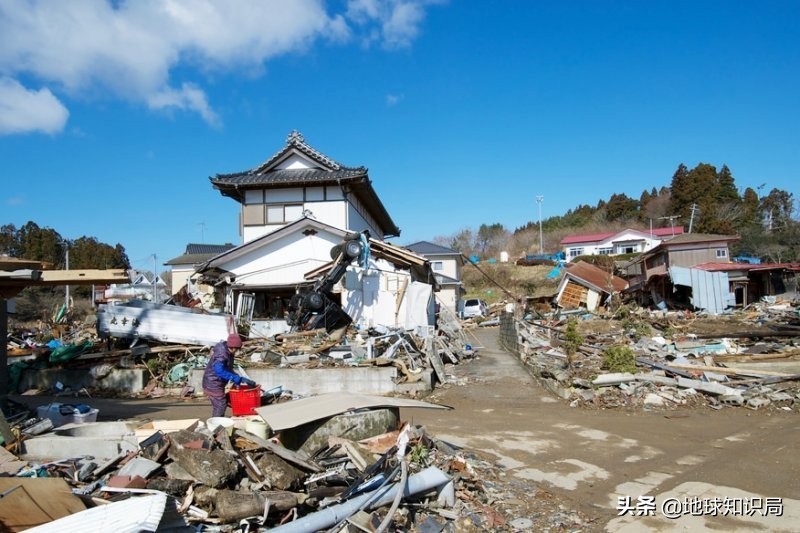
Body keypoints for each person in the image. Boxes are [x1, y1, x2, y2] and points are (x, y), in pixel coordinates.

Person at [202, 333, 256, 417]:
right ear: (234, 347)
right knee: (220, 404)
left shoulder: (229, 352)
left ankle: (218, 421)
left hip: (217, 381)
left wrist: (239, 378)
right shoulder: (222, 354)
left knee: (224, 401)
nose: (237, 351)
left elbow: (227, 368)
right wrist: (234, 377)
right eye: (237, 349)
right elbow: (219, 371)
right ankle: (216, 426)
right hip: (212, 383)